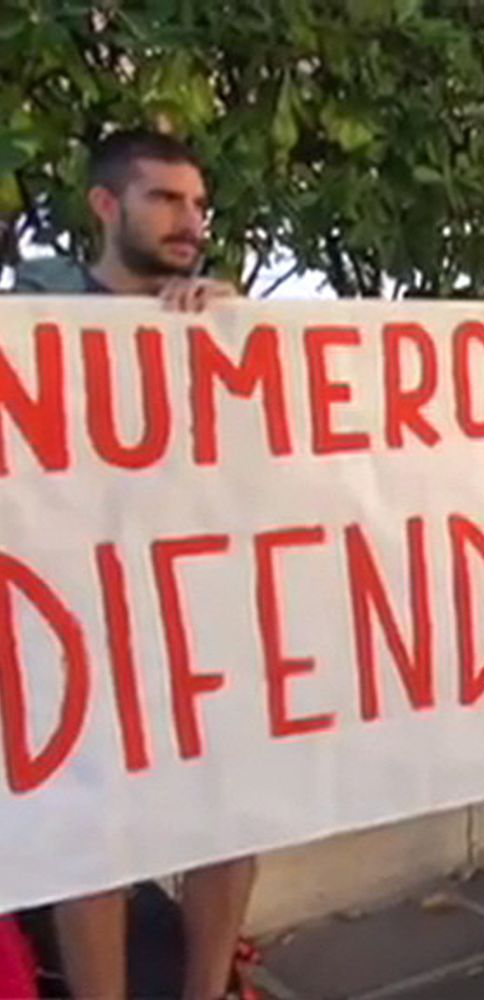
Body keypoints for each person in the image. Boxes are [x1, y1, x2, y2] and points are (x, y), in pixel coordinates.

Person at [14, 130, 256, 1000]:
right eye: (165, 200)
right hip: (80, 615)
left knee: (238, 813)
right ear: (106, 207)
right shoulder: (35, 317)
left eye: (198, 204)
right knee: (94, 834)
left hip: (199, 608)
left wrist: (228, 335)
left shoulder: (215, 318)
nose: (190, 221)